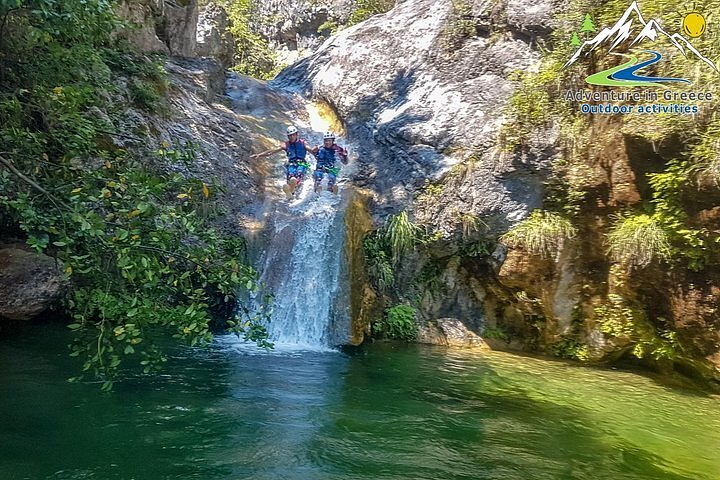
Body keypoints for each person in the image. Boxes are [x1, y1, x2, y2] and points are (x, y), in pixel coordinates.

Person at [249, 125, 311, 197]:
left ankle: (293, 187)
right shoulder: (285, 145)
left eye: (293, 135)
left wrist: (317, 153)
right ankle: (290, 189)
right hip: (291, 163)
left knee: (299, 173)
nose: (291, 137)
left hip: (302, 163)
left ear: (296, 135)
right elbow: (271, 152)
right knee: (291, 174)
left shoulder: (303, 143)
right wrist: (259, 155)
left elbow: (311, 150)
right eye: (290, 136)